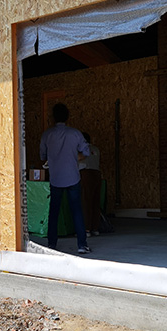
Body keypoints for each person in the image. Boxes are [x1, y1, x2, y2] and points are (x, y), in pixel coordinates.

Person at [40, 103, 92, 254]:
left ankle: (51, 244)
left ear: (52, 117)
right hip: (73, 177)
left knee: (54, 211)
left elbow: (42, 155)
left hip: (55, 177)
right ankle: (82, 244)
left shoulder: (47, 135)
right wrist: (75, 157)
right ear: (68, 117)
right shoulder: (75, 133)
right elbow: (86, 151)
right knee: (76, 210)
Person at [79, 133, 101, 237]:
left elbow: (79, 158)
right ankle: (95, 228)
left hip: (86, 173)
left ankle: (86, 228)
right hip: (96, 174)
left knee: (85, 201)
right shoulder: (96, 149)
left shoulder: (82, 149)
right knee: (95, 202)